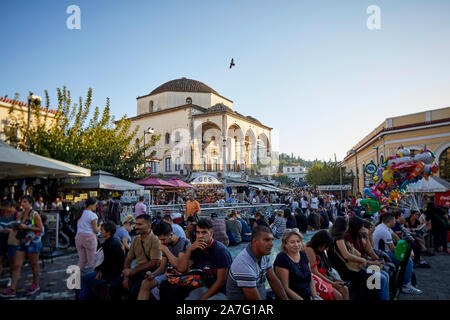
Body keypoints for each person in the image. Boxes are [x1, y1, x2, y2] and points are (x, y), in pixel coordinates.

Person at [175, 218, 232, 300]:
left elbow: (221, 281)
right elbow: (181, 269)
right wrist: (189, 250)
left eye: (204, 232)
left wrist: (203, 298)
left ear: (211, 233)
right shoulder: (196, 248)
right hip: (206, 287)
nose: (200, 236)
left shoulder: (220, 251)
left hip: (223, 291)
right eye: (198, 232)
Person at [227, 225, 289, 300]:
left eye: (272, 240)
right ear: (254, 241)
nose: (272, 244)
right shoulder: (243, 265)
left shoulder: (264, 255)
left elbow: (274, 282)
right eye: (267, 240)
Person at [0, 196, 43, 298]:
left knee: (33, 264)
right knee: (16, 265)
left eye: (25, 202)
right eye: (22, 202)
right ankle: (12, 289)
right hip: (22, 242)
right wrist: (11, 229)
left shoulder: (35, 214)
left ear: (30, 203)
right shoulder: (21, 214)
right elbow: (18, 226)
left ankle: (35, 284)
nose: (22, 204)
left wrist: (27, 227)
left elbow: (41, 229)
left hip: (33, 242)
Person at [326, 217, 378, 300]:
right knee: (371, 279)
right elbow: (346, 255)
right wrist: (362, 260)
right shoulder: (339, 238)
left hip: (343, 266)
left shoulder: (334, 236)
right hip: (344, 268)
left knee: (370, 278)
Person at [137, 221, 191, 300]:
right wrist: (152, 274)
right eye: (160, 240)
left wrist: (166, 250)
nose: (161, 242)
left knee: (167, 290)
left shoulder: (184, 242)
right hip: (169, 274)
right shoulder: (166, 244)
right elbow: (162, 268)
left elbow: (179, 266)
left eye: (163, 240)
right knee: (145, 283)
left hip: (182, 275)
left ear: (171, 235)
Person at [372, 213, 422, 294]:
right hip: (380, 253)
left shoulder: (384, 226)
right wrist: (406, 254)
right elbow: (393, 249)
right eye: (394, 220)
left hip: (383, 251)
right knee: (408, 261)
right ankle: (406, 286)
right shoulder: (384, 231)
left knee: (406, 257)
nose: (395, 222)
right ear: (390, 221)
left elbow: (396, 237)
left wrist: (404, 248)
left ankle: (405, 282)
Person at [346, 216, 390, 300]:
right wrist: (373, 262)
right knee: (382, 278)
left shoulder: (359, 236)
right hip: (357, 266)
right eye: (361, 226)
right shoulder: (349, 237)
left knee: (385, 275)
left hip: (364, 263)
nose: (363, 228)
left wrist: (367, 235)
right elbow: (354, 256)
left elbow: (369, 249)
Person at [78, 222, 125, 300]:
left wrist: (101, 271)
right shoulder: (111, 241)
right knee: (86, 279)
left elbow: (109, 263)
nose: (101, 231)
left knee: (85, 279)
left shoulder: (111, 244)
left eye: (102, 230)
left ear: (108, 232)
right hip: (109, 272)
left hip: (111, 275)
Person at [122, 214, 161, 300]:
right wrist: (126, 276)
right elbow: (128, 258)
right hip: (136, 273)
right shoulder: (136, 239)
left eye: (140, 224)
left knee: (133, 292)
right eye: (136, 224)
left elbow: (155, 262)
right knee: (115, 286)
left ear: (149, 226)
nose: (136, 227)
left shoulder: (155, 239)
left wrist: (132, 271)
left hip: (149, 274)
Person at [273, 229, 320, 300]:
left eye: (298, 241)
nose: (296, 245)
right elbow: (285, 288)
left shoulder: (303, 254)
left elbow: (310, 277)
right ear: (285, 244)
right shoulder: (282, 258)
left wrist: (314, 296)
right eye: (292, 242)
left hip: (307, 295)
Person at [304, 230, 349, 300]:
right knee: (338, 296)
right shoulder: (309, 249)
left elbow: (326, 269)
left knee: (345, 289)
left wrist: (335, 279)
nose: (327, 249)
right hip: (314, 279)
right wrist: (333, 283)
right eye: (326, 246)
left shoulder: (318, 250)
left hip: (322, 276)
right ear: (320, 242)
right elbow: (314, 272)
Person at [75, 197, 100, 273]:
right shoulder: (93, 215)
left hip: (79, 237)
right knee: (92, 261)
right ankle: (92, 278)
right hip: (89, 238)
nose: (96, 207)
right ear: (91, 205)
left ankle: (74, 276)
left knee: (82, 260)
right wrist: (101, 225)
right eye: (95, 205)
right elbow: (96, 230)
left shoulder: (80, 213)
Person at [0, 200, 18, 278]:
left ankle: (12, 277)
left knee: (11, 260)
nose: (3, 208)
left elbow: (19, 228)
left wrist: (10, 230)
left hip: (11, 240)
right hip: (1, 238)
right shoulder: (2, 214)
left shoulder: (16, 214)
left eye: (5, 207)